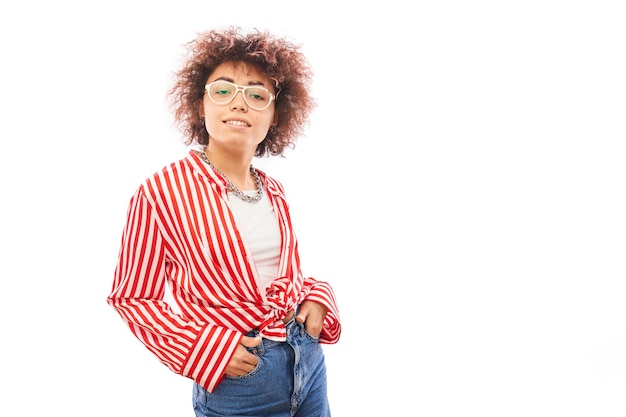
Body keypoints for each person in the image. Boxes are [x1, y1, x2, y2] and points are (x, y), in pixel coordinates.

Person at [107, 27, 341, 417]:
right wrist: (207, 351)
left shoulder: (274, 190)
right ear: (201, 105)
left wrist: (317, 296)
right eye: (223, 90)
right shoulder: (161, 191)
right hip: (240, 384)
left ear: (274, 115)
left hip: (308, 361)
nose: (239, 103)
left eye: (256, 95)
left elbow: (281, 278)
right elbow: (132, 297)